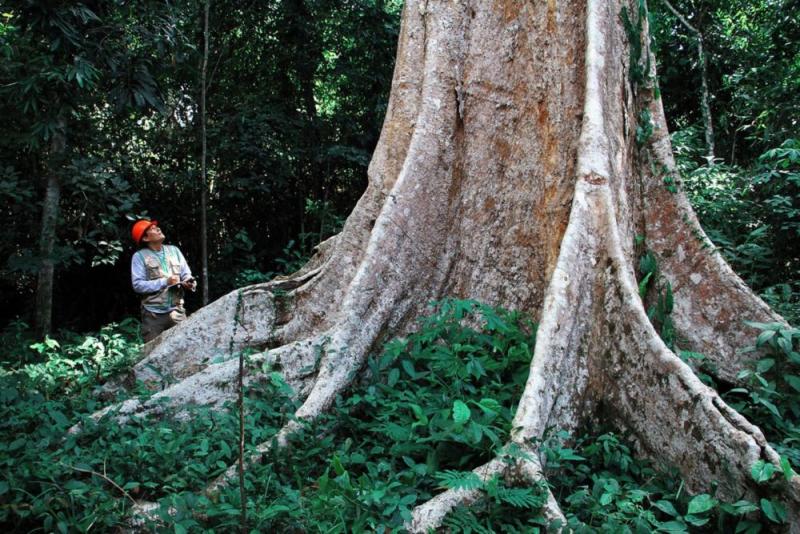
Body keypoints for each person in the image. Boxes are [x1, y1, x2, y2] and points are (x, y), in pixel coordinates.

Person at [130, 219, 196, 342]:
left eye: (157, 227)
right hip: (153, 315)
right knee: (152, 356)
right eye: (152, 229)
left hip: (177, 312)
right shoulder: (139, 256)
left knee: (184, 349)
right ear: (145, 239)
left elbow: (186, 273)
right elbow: (138, 285)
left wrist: (189, 282)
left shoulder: (174, 250)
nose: (158, 229)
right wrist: (165, 282)